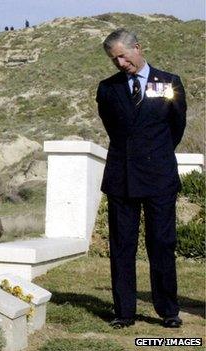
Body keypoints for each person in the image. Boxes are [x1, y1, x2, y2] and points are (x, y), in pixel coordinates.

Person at [96, 28, 186, 329]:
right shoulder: (107, 89)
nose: (120, 64)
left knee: (161, 243)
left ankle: (168, 310)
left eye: (123, 56)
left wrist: (155, 154)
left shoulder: (169, 82)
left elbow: (176, 127)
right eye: (114, 60)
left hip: (159, 176)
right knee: (122, 246)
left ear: (138, 48)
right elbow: (114, 129)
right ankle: (124, 312)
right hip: (122, 178)